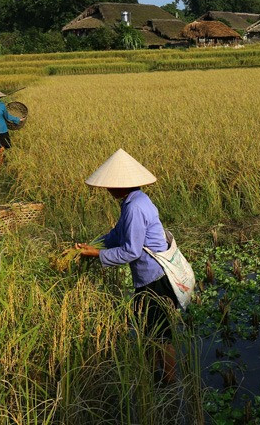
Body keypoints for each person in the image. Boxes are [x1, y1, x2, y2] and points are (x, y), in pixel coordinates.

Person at [75, 148, 179, 382]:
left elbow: (131, 251)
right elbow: (118, 234)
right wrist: (96, 243)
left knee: (161, 334)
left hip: (155, 279)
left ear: (121, 185)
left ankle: (169, 381)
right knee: (150, 330)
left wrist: (97, 254)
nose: (108, 189)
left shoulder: (134, 207)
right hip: (148, 278)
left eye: (111, 185)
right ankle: (157, 375)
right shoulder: (135, 200)